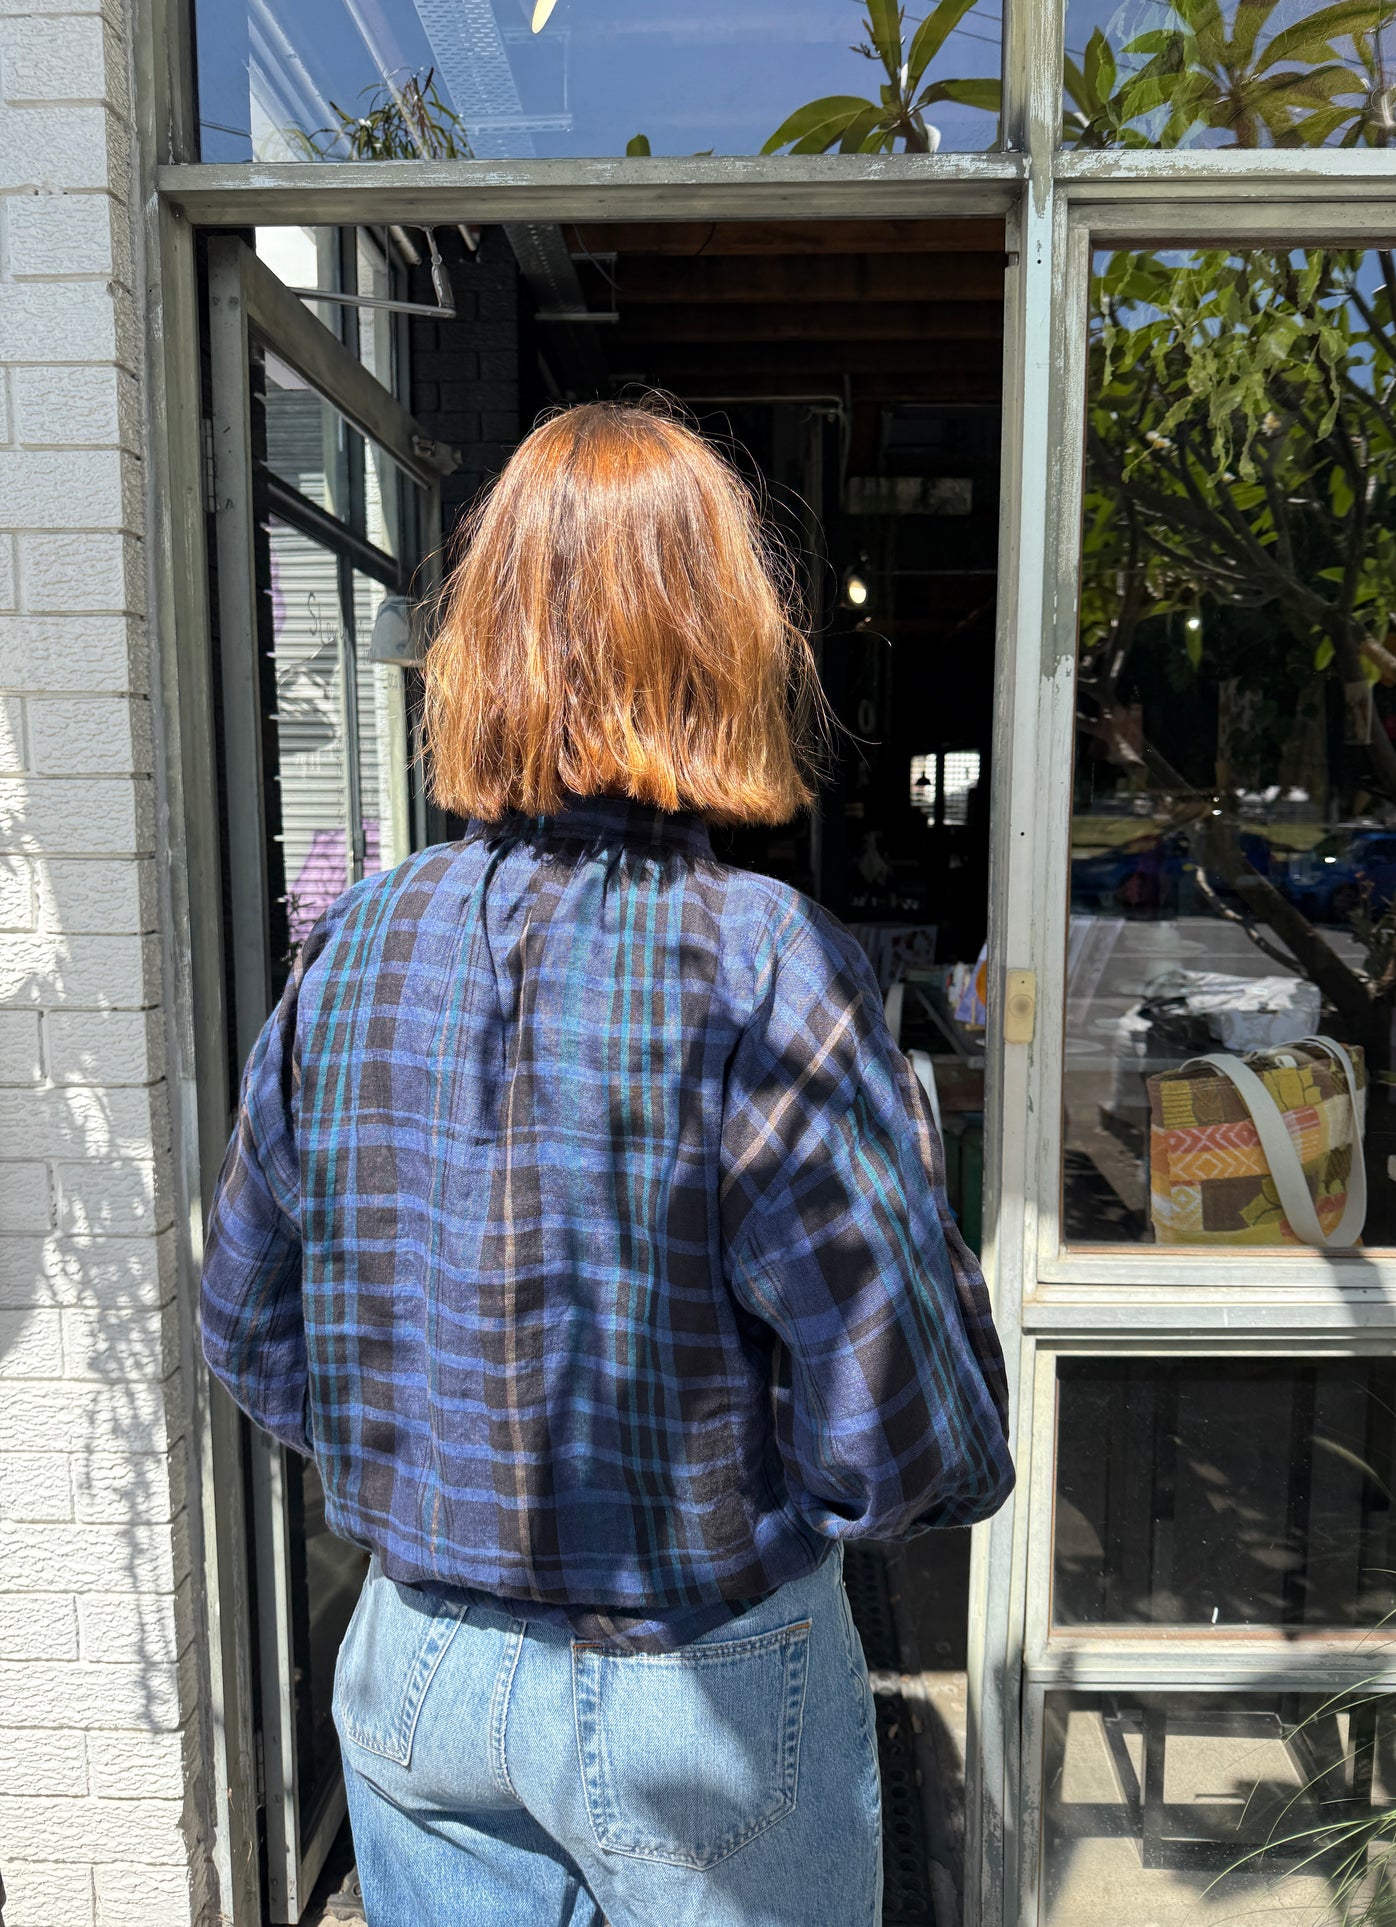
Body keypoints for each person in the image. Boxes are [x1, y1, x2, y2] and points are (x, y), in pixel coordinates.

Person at [201, 399, 1014, 1927]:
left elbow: (247, 1320)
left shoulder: (361, 939)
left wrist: (423, 1468)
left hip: (415, 1662)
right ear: (724, 643)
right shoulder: (763, 963)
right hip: (697, 1674)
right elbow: (899, 1417)